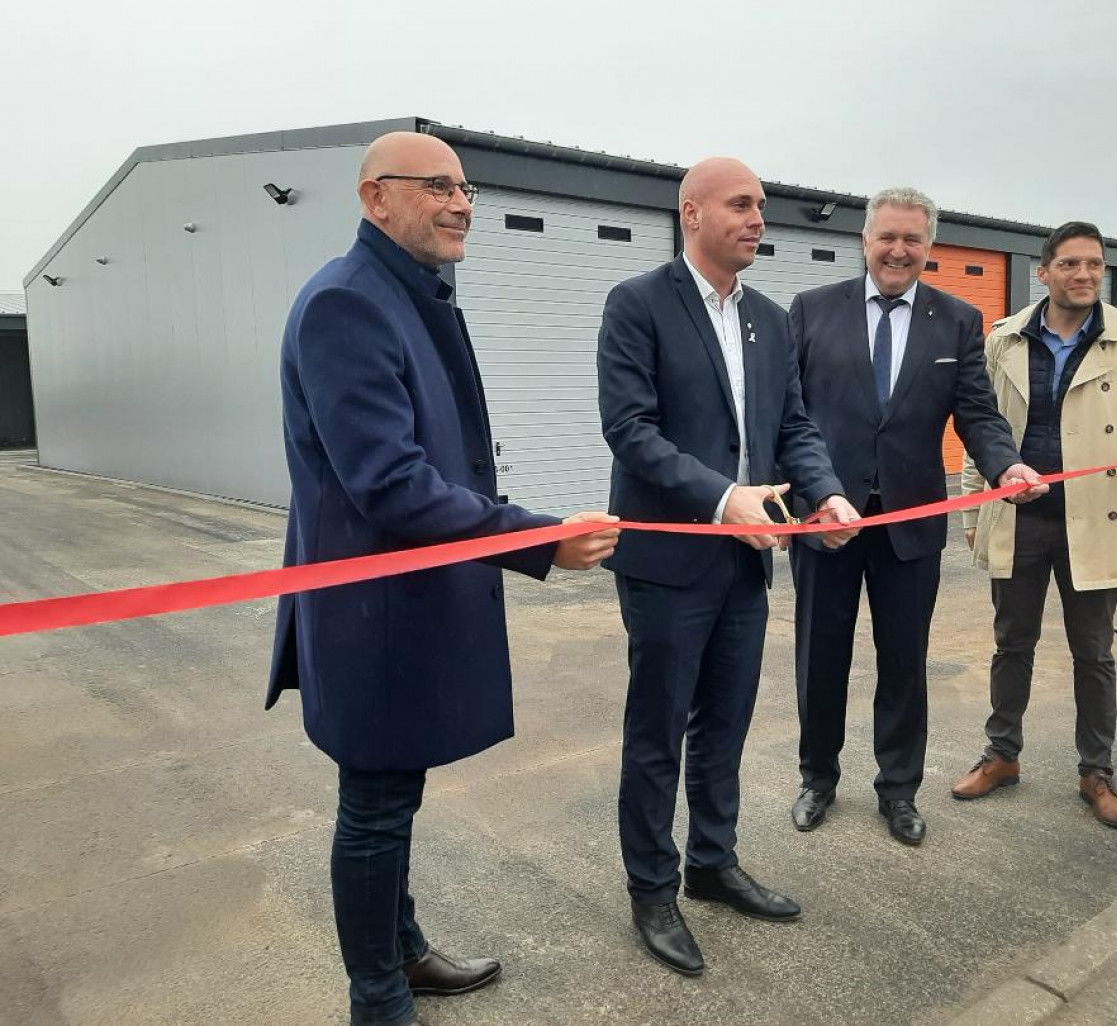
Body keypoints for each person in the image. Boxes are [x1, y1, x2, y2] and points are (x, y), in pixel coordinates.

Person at [266, 131, 619, 1026]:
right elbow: (388, 482)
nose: (462, 202)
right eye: (438, 186)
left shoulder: (408, 292)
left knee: (396, 791)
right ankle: (378, 997)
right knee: (376, 804)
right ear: (374, 197)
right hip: (371, 614)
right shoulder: (347, 304)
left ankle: (402, 948)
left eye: (466, 187)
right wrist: (537, 540)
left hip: (406, 605)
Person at [597, 157, 860, 976]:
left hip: (749, 563)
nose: (758, 219)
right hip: (671, 559)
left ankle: (712, 862)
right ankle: (652, 888)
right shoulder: (637, 304)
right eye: (742, 205)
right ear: (692, 212)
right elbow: (631, 430)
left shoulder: (771, 321)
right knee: (658, 732)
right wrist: (723, 500)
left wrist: (826, 497)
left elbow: (794, 427)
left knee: (727, 722)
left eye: (762, 207)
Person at [786, 187, 1043, 846]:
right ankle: (818, 777)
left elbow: (977, 413)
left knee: (904, 661)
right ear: (865, 241)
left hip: (910, 523)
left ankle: (898, 789)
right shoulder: (812, 311)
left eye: (913, 240)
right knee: (820, 658)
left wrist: (1005, 465)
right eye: (887, 237)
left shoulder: (956, 320)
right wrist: (804, 495)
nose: (899, 250)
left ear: (929, 248)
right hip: (827, 518)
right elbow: (788, 414)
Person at [954, 221, 1117, 829]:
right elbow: (981, 428)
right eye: (1070, 265)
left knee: (1093, 653)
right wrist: (974, 508)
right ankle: (1001, 756)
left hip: (1097, 519)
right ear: (1043, 272)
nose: (1084, 276)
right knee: (1011, 643)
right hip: (1019, 516)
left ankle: (1095, 772)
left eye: (1094, 266)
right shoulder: (1004, 338)